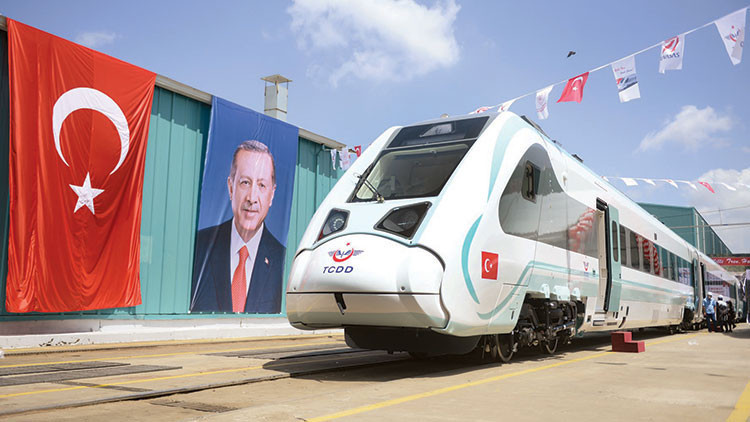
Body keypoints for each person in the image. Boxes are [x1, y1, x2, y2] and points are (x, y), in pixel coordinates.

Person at [190, 140, 285, 314]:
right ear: (231, 188)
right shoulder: (200, 247)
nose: (252, 198)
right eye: (245, 183)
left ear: (271, 194)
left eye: (261, 185)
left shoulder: (282, 261)